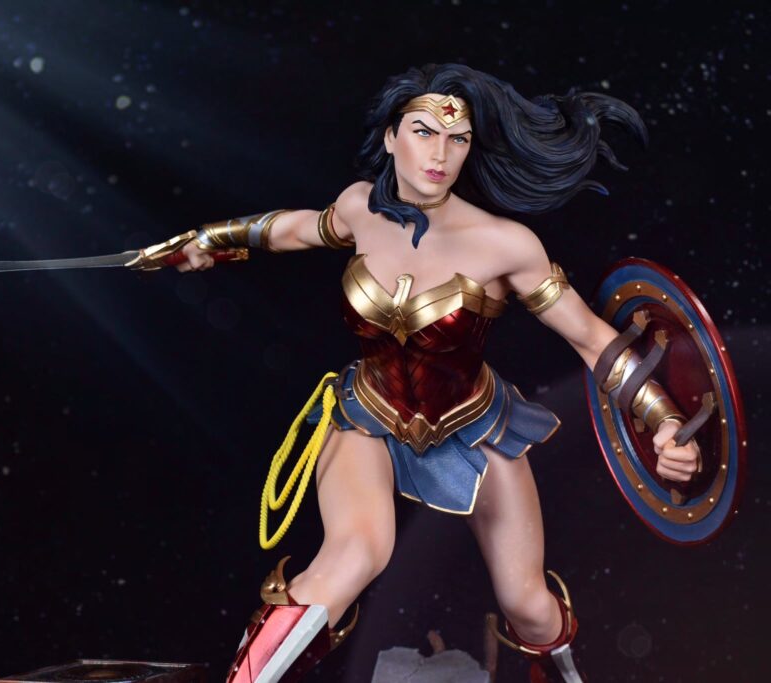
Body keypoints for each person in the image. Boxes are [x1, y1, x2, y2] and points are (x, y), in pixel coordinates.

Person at [166, 63, 701, 683]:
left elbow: (590, 337)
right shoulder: (360, 207)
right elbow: (296, 229)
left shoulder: (506, 244)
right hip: (368, 414)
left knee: (528, 604)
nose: (440, 155)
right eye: (423, 132)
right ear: (391, 137)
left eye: (458, 139)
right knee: (354, 555)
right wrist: (209, 240)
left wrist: (663, 418)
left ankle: (564, 675)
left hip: (472, 425)